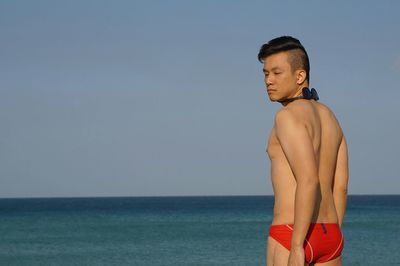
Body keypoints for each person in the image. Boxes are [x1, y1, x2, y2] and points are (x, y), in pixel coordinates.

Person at [258, 36, 349, 266]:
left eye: (277, 73)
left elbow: (308, 180)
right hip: (330, 235)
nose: (269, 80)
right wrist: (333, 234)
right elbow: (340, 186)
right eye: (265, 73)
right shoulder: (330, 117)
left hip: (291, 233)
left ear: (300, 76)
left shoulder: (286, 117)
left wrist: (298, 246)